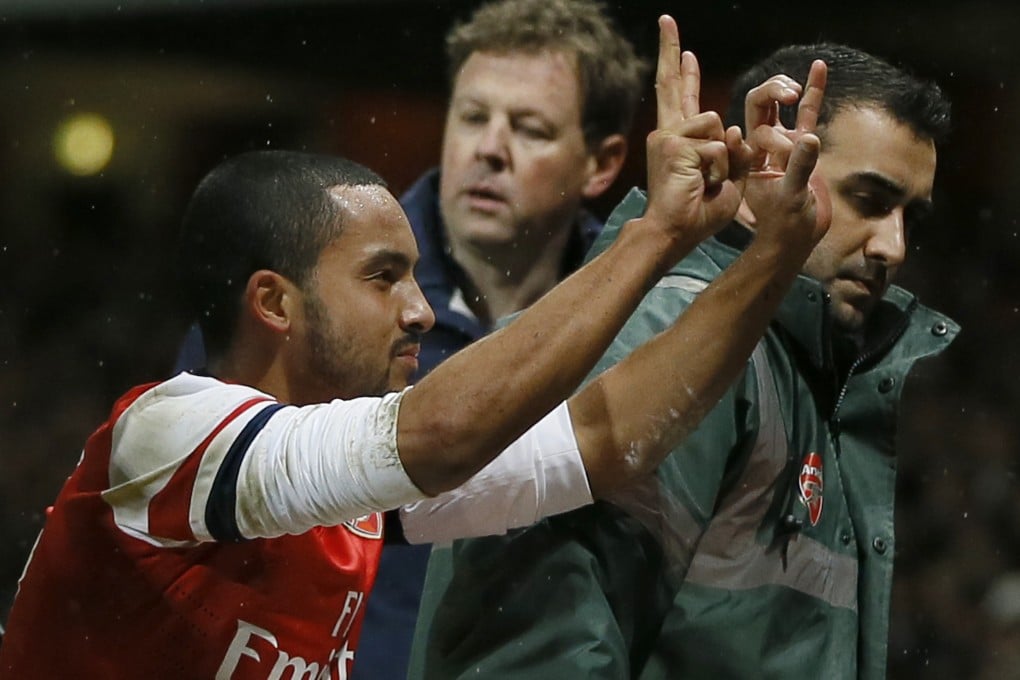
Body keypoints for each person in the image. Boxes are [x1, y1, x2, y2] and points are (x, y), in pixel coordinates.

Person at [0, 16, 832, 678]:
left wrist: (770, 258)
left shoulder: (354, 498)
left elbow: (604, 444)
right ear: (274, 303)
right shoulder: (168, 432)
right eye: (383, 278)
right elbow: (435, 438)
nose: (420, 310)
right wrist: (653, 234)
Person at [410, 41, 958, 680]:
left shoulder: (802, 362)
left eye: (909, 218)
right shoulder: (671, 331)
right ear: (769, 162)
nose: (892, 245)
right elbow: (535, 645)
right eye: (869, 199)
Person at [357, 0, 648, 674]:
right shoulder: (328, 292)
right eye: (472, 117)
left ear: (600, 165)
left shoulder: (649, 323)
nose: (490, 148)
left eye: (530, 129)